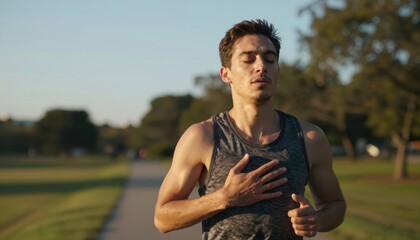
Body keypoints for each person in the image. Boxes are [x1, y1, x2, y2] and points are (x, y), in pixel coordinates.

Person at [154, 19, 346, 239]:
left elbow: (335, 204)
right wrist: (224, 197)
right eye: (248, 59)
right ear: (226, 74)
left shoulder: (309, 138)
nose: (261, 66)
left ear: (278, 71)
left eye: (270, 59)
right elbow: (162, 218)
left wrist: (316, 219)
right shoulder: (202, 137)